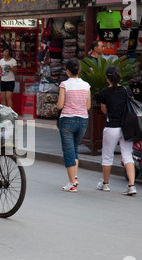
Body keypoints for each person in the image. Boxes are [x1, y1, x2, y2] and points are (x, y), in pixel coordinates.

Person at [96, 66, 137, 196]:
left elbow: (104, 111)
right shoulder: (127, 90)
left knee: (107, 156)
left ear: (107, 78)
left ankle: (106, 184)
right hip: (126, 127)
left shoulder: (104, 92)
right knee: (127, 155)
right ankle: (131, 185)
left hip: (111, 127)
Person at [57, 58, 91, 193]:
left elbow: (60, 105)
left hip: (67, 120)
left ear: (68, 71)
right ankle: (74, 177)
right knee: (74, 149)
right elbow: (87, 106)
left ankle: (72, 183)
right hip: (83, 120)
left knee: (68, 151)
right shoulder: (86, 85)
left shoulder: (64, 85)